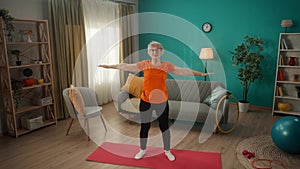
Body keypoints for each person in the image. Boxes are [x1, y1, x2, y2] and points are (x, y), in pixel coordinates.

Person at [99, 41, 212, 161]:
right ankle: (142, 150)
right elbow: (125, 66)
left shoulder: (166, 66)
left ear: (161, 51)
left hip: (162, 102)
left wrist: (201, 73)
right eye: (152, 50)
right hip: (146, 101)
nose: (154, 52)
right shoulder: (144, 64)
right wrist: (109, 66)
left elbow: (183, 71)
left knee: (164, 127)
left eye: (157, 50)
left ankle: (167, 151)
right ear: (149, 52)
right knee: (145, 126)